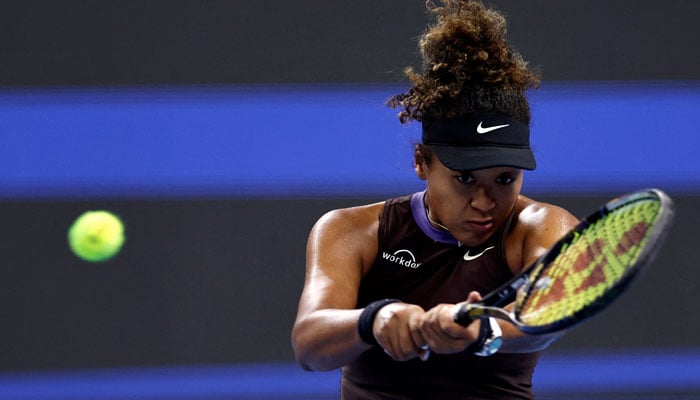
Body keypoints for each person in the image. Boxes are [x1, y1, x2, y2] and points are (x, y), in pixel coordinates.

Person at [291, 1, 579, 399]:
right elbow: (309, 344)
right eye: (464, 177)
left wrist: (480, 327)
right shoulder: (352, 230)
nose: (485, 201)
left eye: (504, 178)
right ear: (421, 163)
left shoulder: (543, 227)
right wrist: (376, 319)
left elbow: (553, 314)